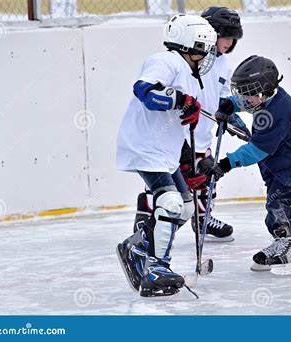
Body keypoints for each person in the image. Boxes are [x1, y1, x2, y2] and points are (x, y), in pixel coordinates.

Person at [115, 14, 217, 297]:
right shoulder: (167, 60)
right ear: (190, 45)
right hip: (145, 147)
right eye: (202, 49)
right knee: (170, 202)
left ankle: (138, 247)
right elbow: (145, 91)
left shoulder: (191, 74)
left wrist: (187, 161)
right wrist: (181, 101)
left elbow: (177, 121)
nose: (206, 56)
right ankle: (157, 267)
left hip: (165, 152)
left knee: (184, 207)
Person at [133, 7, 247, 243]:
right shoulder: (189, 61)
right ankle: (148, 213)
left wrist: (230, 115)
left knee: (206, 178)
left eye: (233, 36)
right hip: (180, 133)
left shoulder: (224, 64)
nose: (230, 41)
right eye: (226, 35)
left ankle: (203, 218)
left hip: (203, 134)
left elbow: (222, 97)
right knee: (173, 183)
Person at [198, 55, 291, 273]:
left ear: (265, 90)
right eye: (241, 93)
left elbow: (256, 150)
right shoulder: (265, 98)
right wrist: (228, 105)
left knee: (277, 204)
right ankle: (281, 242)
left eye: (249, 94)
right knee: (274, 201)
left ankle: (289, 245)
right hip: (277, 162)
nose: (244, 98)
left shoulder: (280, 111)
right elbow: (245, 102)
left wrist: (225, 164)